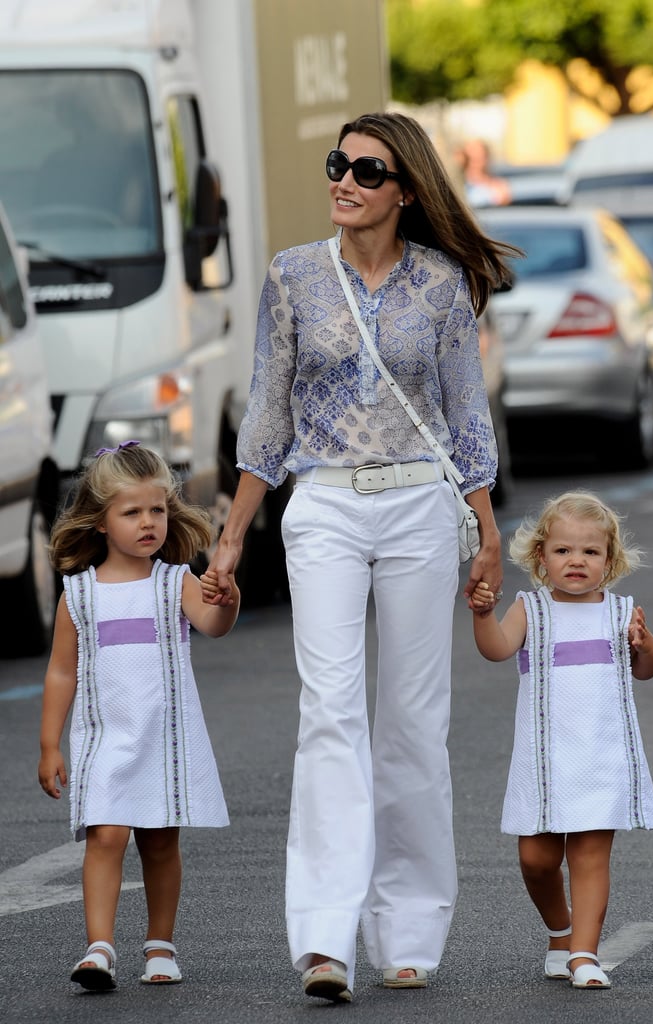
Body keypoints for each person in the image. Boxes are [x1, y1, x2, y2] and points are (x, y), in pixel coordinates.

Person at [202, 111, 518, 1002]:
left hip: (421, 503)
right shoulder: (293, 275)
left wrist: (485, 530)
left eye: (366, 170)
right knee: (330, 713)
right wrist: (231, 535)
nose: (343, 180)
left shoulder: (442, 284)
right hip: (325, 507)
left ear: (405, 189)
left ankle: (409, 929)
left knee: (414, 720)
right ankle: (325, 938)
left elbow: (464, 417)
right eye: (337, 164)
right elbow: (266, 409)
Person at [38, 440, 239, 991]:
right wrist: (50, 744)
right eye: (132, 512)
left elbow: (215, 626)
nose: (148, 523)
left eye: (157, 510)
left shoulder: (173, 582)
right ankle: (98, 948)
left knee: (158, 841)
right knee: (105, 836)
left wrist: (228, 598)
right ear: (100, 522)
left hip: (161, 737)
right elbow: (61, 673)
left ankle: (160, 946)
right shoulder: (77, 595)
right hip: (104, 737)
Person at [471, 490, 653, 990]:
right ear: (541, 557)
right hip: (544, 762)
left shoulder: (621, 613)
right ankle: (560, 933)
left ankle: (584, 953)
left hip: (602, 756)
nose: (576, 560)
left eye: (590, 552)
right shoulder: (530, 611)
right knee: (536, 860)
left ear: (610, 560)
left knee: (590, 855)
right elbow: (495, 650)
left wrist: (646, 645)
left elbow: (647, 670)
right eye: (563, 551)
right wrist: (481, 614)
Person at [456, 138, 511, 209]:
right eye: (470, 157)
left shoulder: (498, 185)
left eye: (479, 157)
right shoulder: (459, 185)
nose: (475, 159)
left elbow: (504, 200)